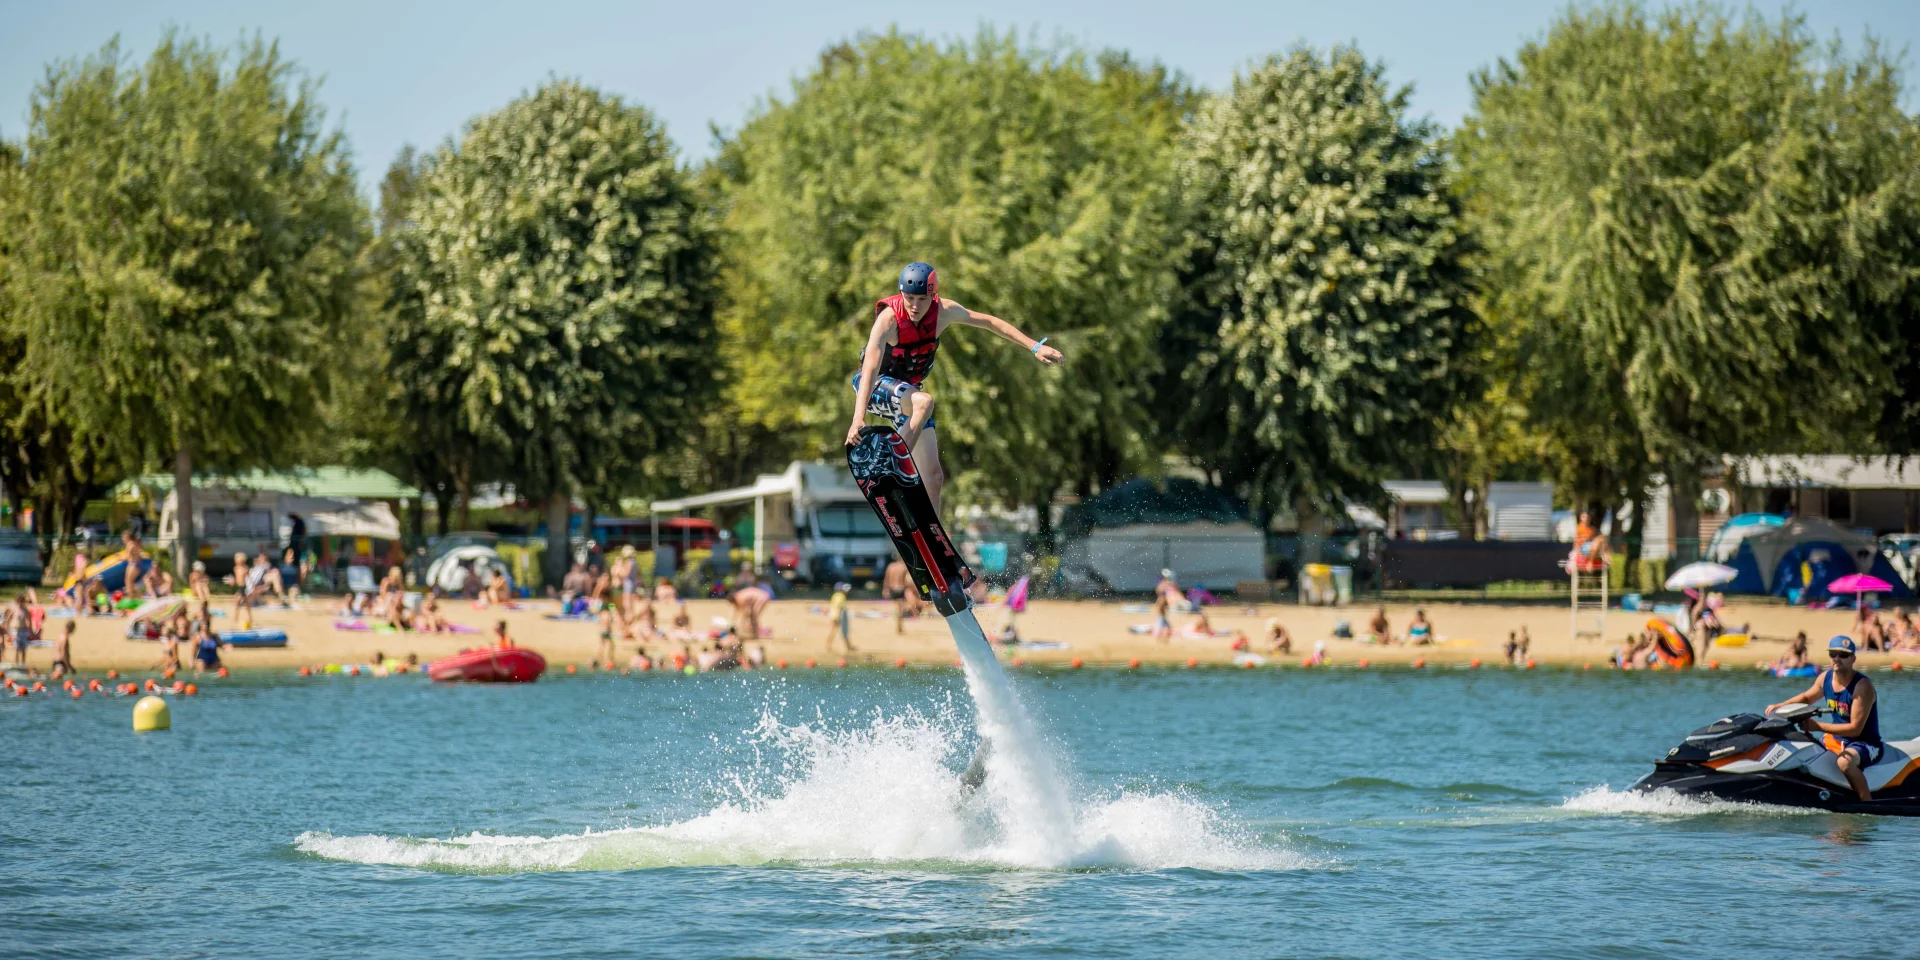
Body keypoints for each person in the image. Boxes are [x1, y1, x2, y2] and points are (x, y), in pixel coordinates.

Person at [844, 261, 1062, 517]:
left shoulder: (944, 311)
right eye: (909, 298)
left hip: (908, 395)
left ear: (933, 296)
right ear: (901, 294)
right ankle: (890, 466)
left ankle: (932, 538)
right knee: (924, 402)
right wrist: (858, 418)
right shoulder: (888, 319)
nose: (915, 306)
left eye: (922, 299)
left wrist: (1034, 346)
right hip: (874, 387)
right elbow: (870, 367)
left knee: (934, 477)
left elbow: (989, 322)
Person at [1767, 635, 1883, 802]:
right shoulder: (1825, 678)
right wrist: (1780, 706)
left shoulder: (1862, 686)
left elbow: (1855, 729)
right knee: (1801, 749)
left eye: (1843, 655)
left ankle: (1867, 803)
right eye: (1833, 654)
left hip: (1864, 742)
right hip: (1836, 739)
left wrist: (1817, 726)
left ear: (1853, 658)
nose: (1837, 658)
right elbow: (1807, 698)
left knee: (1844, 763)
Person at [884, 557, 912, 634]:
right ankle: (899, 626)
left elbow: (887, 579)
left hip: (893, 589)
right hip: (901, 589)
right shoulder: (904, 567)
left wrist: (885, 589)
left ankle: (898, 625)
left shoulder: (891, 566)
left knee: (896, 607)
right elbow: (907, 580)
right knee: (900, 609)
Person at [824, 582, 853, 652]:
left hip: (833, 615)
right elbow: (839, 606)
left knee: (836, 631)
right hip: (838, 615)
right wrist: (839, 616)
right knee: (842, 631)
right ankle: (828, 645)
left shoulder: (835, 595)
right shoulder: (841, 596)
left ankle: (848, 646)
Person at [6, 595, 31, 666]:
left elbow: (29, 621)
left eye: (21, 602)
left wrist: (30, 631)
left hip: (24, 630)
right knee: (16, 648)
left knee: (23, 649)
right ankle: (16, 664)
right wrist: (9, 632)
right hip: (15, 631)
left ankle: (23, 664)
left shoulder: (25, 610)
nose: (20, 603)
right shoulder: (13, 610)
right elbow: (7, 620)